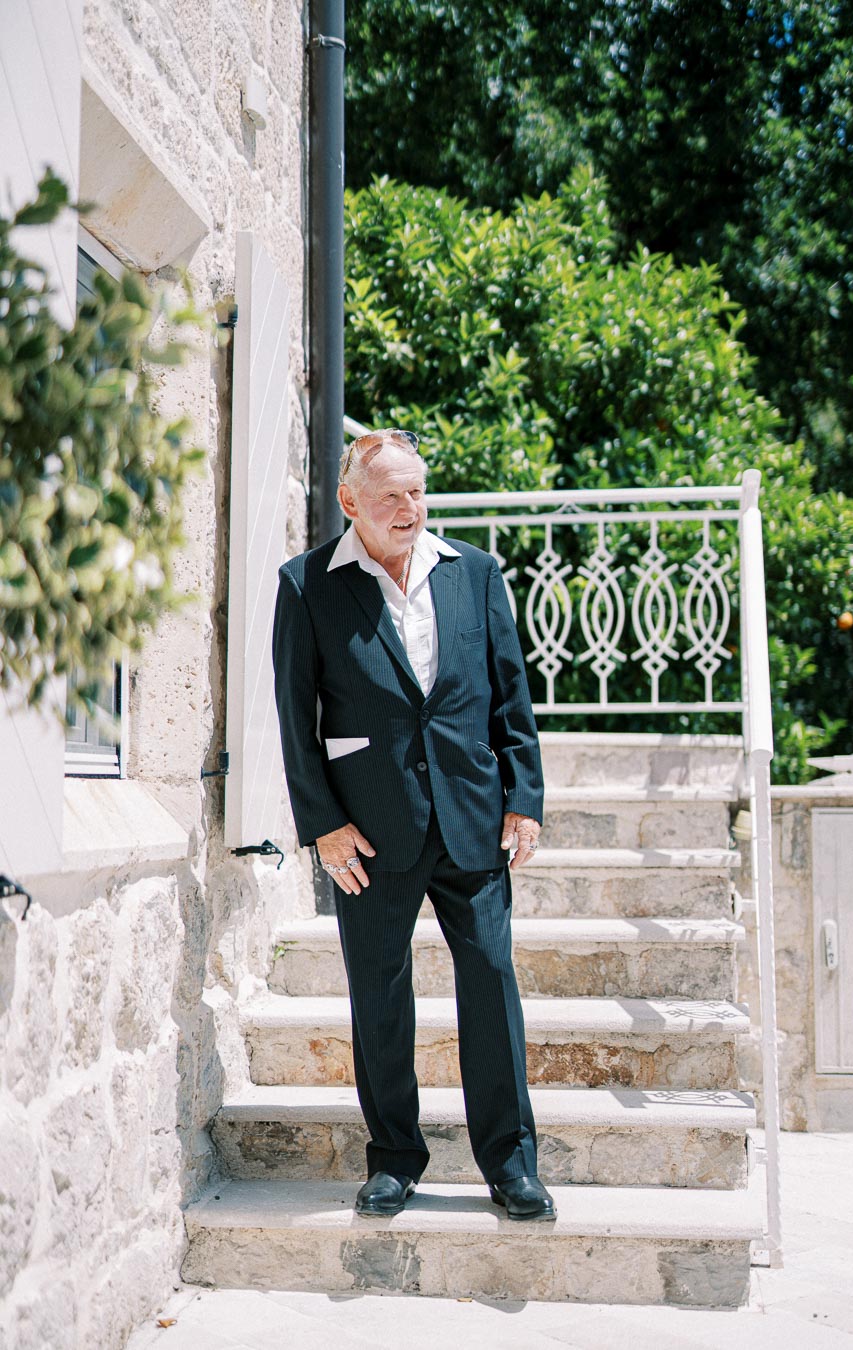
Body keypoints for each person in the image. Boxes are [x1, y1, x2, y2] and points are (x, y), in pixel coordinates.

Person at [272, 427, 555, 1221]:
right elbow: (295, 719)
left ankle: (511, 1164)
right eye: (391, 494)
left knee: (492, 986)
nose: (409, 508)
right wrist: (322, 824)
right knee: (381, 996)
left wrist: (523, 798)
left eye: (418, 491)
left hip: (472, 816)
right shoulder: (307, 586)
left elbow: (512, 697)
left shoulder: (476, 574)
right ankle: (395, 1158)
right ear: (349, 500)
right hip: (369, 829)